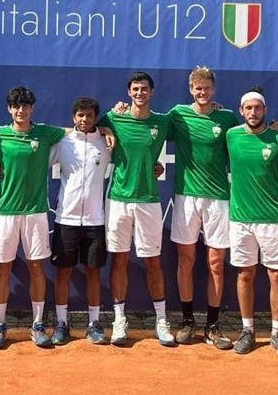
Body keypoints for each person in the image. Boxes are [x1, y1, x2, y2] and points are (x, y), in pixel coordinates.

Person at [98, 71, 175, 347]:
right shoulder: (113, 118)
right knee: (119, 260)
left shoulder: (163, 121)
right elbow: (88, 125)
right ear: (128, 93)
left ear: (151, 92)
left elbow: (194, 122)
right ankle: (119, 321)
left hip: (149, 200)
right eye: (135, 89)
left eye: (144, 89)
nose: (140, 93)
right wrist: (106, 125)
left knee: (152, 261)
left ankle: (161, 321)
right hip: (118, 199)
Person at [0, 86, 66, 349]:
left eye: (26, 106)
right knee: (2, 268)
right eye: (16, 106)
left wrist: (107, 128)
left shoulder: (44, 132)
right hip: (6, 211)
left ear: (32, 108)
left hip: (36, 212)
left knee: (36, 267)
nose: (21, 110)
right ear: (9, 108)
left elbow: (75, 131)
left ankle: (38, 324)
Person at [167, 66, 238, 348]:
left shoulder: (227, 117)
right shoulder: (177, 115)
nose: (202, 92)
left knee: (216, 264)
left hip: (218, 198)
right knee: (186, 261)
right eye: (198, 88)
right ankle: (187, 322)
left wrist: (273, 129)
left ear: (214, 90)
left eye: (207, 88)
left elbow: (249, 137)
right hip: (186, 196)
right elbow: (148, 126)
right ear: (190, 90)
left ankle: (212, 326)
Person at [226, 89, 278, 357]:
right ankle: (247, 330)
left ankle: (277, 333)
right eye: (248, 108)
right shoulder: (231, 135)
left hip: (273, 219)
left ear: (264, 110)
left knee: (276, 275)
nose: (253, 112)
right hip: (241, 219)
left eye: (257, 108)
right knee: (245, 274)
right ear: (241, 111)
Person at [49, 96, 113, 345]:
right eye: (80, 115)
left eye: (89, 115)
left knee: (93, 273)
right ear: (73, 117)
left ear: (95, 117)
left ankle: (93, 323)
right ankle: (61, 324)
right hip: (66, 219)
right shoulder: (63, 142)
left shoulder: (107, 142)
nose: (84, 120)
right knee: (63, 273)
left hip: (96, 220)